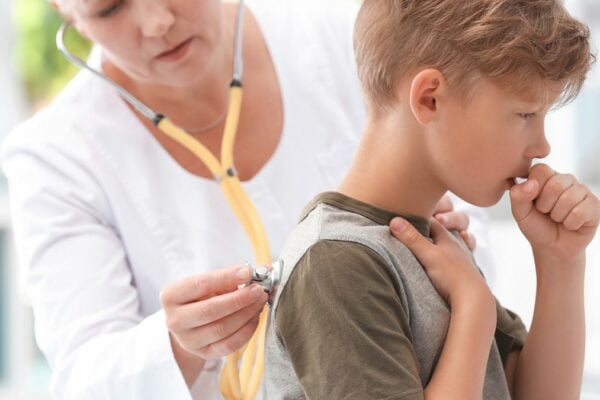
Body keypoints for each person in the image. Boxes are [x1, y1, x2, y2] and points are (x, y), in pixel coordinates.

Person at [1, 0, 486, 398]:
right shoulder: (55, 154)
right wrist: (179, 344)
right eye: (109, 8)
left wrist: (443, 229)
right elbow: (82, 379)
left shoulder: (344, 35)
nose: (157, 22)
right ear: (67, 14)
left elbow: (459, 185)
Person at [264, 0, 599, 399]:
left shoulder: (436, 246)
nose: (542, 147)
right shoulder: (336, 264)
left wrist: (560, 261)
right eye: (526, 115)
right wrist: (473, 310)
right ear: (429, 99)